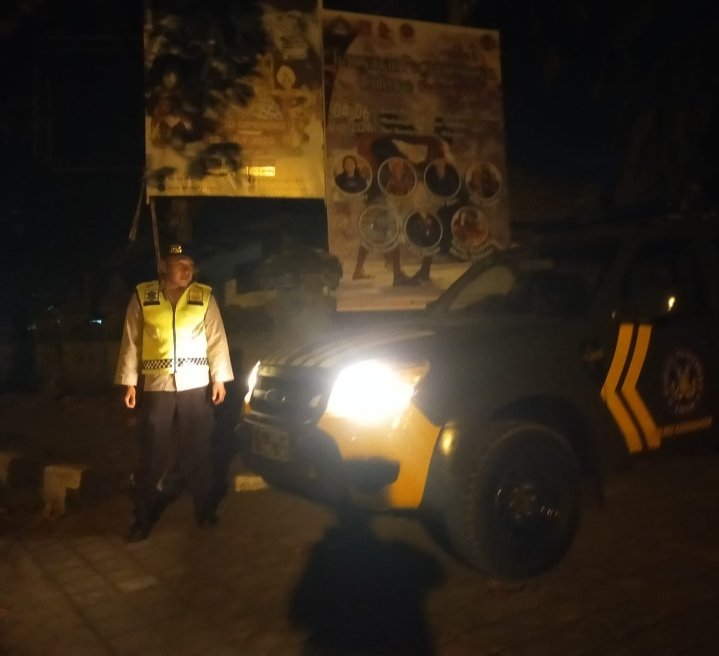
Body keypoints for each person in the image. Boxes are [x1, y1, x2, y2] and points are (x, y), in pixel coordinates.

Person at [115, 242, 234, 542]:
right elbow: (131, 341)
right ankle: (143, 516)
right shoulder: (144, 296)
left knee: (198, 450)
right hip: (158, 387)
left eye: (190, 265)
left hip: (195, 387)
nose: (186, 269)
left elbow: (216, 339)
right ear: (162, 267)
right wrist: (129, 382)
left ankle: (204, 509)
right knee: (152, 452)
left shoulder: (203, 297)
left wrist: (219, 379)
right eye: (179, 264)